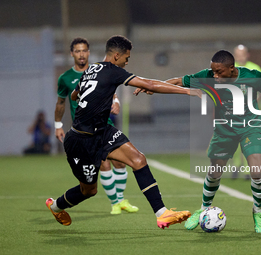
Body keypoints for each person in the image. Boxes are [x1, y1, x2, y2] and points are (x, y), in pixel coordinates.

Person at [46, 35, 202, 228]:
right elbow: (150, 84)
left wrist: (94, 99)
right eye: (126, 58)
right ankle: (55, 207)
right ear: (117, 55)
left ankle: (162, 213)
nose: (127, 62)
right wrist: (188, 91)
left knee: (138, 160)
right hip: (80, 140)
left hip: (102, 131)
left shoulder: (92, 69)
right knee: (89, 190)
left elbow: (74, 95)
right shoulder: (113, 71)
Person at [163, 50, 261, 233]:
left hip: (250, 127)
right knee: (215, 172)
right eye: (213, 71)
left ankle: (258, 212)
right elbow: (177, 80)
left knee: (256, 171)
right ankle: (203, 208)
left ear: (232, 69)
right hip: (225, 130)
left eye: (219, 72)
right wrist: (151, 87)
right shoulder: (208, 76)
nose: (215, 75)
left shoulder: (251, 76)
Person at [55, 37, 138, 215]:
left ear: (89, 52)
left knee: (120, 162)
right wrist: (58, 125)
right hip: (84, 130)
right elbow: (62, 102)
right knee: (104, 165)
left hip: (104, 124)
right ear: (72, 54)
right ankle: (115, 203)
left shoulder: (98, 69)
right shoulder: (66, 78)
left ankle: (121, 199)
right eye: (77, 51)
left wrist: (116, 101)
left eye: (84, 50)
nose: (81, 54)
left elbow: (109, 89)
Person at [232, 44, 261, 179]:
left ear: (247, 55)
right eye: (238, 55)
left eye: (243, 55)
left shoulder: (255, 68)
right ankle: (236, 165)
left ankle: (248, 170)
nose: (240, 58)